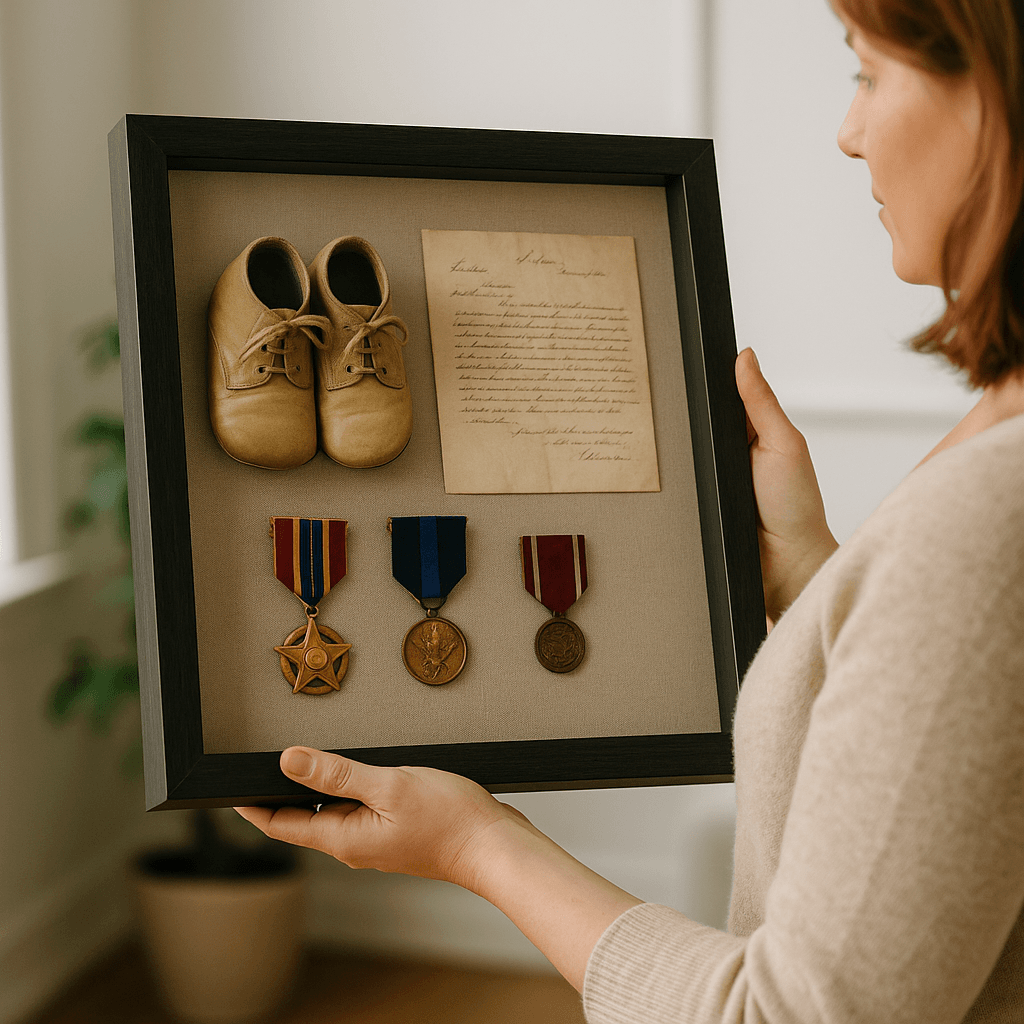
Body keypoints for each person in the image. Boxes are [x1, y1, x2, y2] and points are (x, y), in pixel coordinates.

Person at [235, 0, 1024, 1019]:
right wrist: (806, 573)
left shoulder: (987, 517)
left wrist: (483, 845)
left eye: (867, 72)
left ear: (997, 95)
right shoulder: (995, 445)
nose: (847, 129)